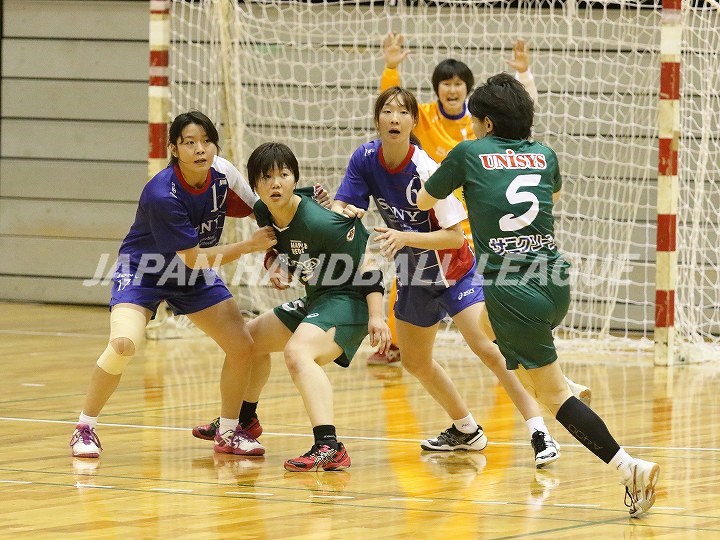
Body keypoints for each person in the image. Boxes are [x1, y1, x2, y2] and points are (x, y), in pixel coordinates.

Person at [416, 73, 660, 517]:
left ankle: (630, 468)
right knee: (485, 327)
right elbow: (554, 194)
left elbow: (423, 201)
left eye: (475, 121)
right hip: (553, 280)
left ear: (488, 123)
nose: (472, 127)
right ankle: (566, 382)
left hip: (513, 289)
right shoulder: (544, 154)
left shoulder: (469, 152)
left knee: (555, 400)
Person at [332, 86, 561, 467]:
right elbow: (346, 205)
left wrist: (406, 237)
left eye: (402, 112)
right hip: (414, 274)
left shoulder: (426, 168)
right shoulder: (365, 158)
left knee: (489, 350)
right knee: (415, 361)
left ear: (413, 122)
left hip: (455, 270)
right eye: (387, 111)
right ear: (377, 119)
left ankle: (539, 431)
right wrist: (339, 212)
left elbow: (456, 236)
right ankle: (465, 429)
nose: (393, 118)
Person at [370, 33, 592, 410]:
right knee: (415, 288)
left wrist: (524, 76)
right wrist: (391, 69)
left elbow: (518, 119)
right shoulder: (425, 118)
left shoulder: (477, 132)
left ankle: (546, 392)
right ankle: (394, 346)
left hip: (479, 239)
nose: (452, 89)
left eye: (459, 84)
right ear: (437, 90)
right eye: (445, 84)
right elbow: (393, 115)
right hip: (440, 234)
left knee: (491, 328)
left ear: (471, 97)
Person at [70, 111, 277, 458]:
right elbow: (194, 258)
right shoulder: (162, 194)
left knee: (243, 346)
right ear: (174, 149)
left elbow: (265, 209)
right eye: (189, 142)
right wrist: (249, 246)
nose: (200, 149)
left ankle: (228, 431)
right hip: (145, 272)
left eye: (206, 141)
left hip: (190, 277)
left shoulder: (223, 174)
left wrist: (301, 218)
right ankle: (84, 427)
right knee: (123, 345)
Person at [207, 142, 392, 471]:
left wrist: (377, 316)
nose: (275, 183)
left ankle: (329, 446)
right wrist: (275, 265)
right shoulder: (264, 211)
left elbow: (369, 264)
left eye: (284, 175)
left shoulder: (323, 223)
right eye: (266, 177)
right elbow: (277, 246)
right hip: (318, 298)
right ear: (255, 185)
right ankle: (243, 422)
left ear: (295, 178)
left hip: (350, 300)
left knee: (297, 353)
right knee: (247, 341)